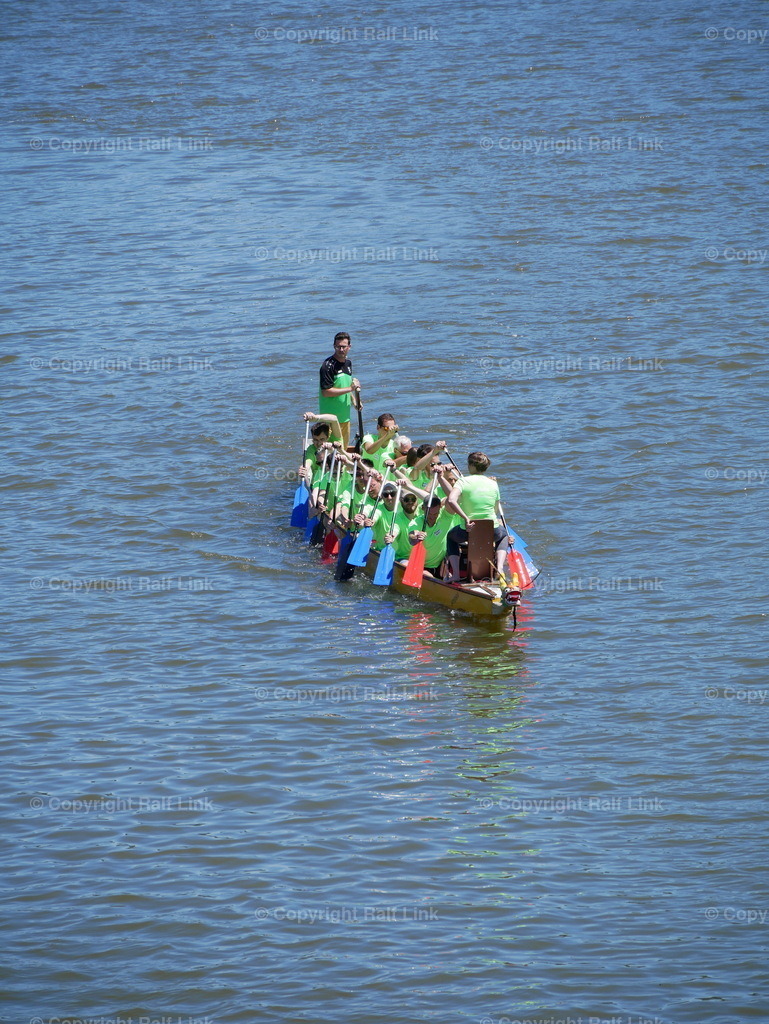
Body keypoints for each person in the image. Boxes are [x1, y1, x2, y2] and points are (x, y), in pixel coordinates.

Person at [445, 451, 508, 581]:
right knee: (504, 535)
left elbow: (451, 500)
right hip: (491, 528)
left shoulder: (463, 481)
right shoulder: (493, 483)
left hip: (468, 529)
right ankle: (500, 568)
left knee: (451, 537)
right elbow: (495, 508)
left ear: (472, 466)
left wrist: (466, 518)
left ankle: (456, 574)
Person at [319, 332, 360, 449]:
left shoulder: (348, 363)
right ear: (334, 346)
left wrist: (355, 401)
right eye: (338, 347)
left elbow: (346, 385)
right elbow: (326, 392)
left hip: (345, 417)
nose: (341, 349)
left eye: (344, 347)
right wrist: (350, 388)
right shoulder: (327, 366)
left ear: (349, 347)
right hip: (330, 419)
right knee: (331, 452)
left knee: (343, 449)